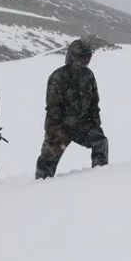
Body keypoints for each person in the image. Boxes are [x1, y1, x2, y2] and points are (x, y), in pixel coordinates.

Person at [35, 38, 108, 178]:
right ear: (74, 57)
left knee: (100, 142)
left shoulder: (88, 75)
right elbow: (52, 108)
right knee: (47, 160)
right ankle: (39, 187)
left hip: (83, 125)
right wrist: (58, 129)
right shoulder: (58, 77)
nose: (87, 60)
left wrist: (95, 124)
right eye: (84, 56)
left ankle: (101, 177)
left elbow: (94, 103)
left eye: (89, 56)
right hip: (60, 126)